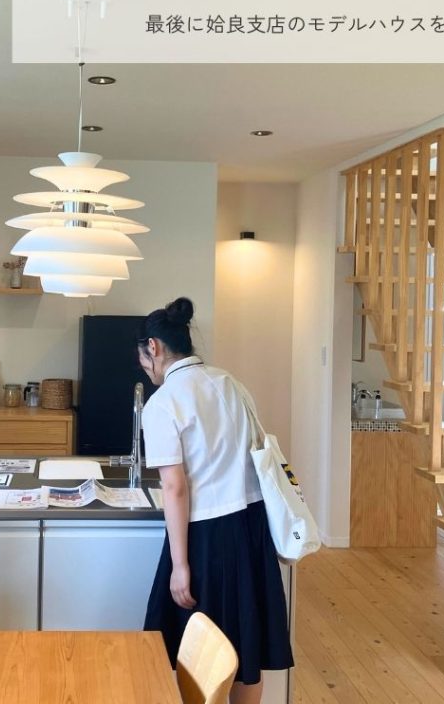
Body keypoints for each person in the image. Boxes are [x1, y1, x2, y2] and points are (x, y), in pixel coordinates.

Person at [137, 297, 294, 704]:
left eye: (143, 359)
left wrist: (180, 566)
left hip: (206, 537)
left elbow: (175, 487)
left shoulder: (163, 402)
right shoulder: (230, 383)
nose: (144, 368)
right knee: (246, 651)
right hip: (252, 527)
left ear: (153, 347)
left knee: (192, 655)